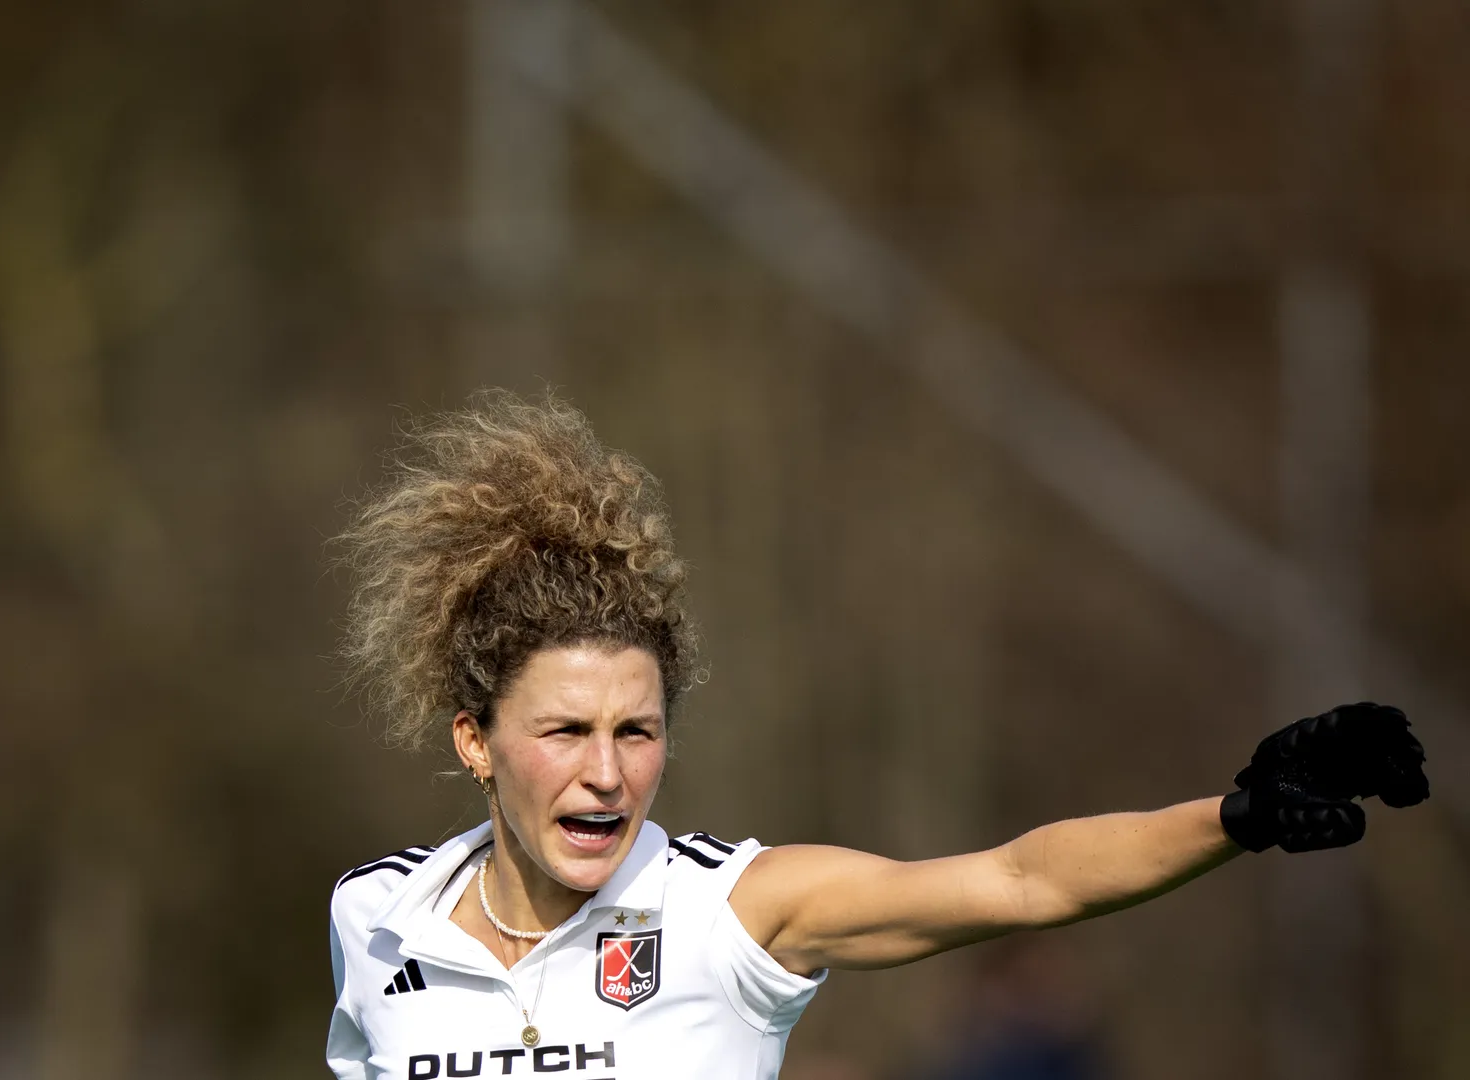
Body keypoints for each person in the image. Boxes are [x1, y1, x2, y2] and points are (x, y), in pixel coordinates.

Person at [324, 390, 1429, 1080]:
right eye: (565, 730)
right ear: (475, 740)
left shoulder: (732, 913)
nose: (608, 773)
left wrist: (1232, 816)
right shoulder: (374, 919)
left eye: (638, 730)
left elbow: (1023, 881)